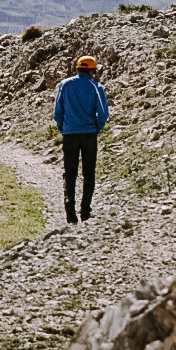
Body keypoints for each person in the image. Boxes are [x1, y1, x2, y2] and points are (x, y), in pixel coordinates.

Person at [54, 55, 109, 224]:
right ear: (92, 70)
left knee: (70, 174)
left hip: (69, 133)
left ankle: (70, 213)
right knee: (89, 173)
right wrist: (96, 128)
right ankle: (85, 211)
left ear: (77, 68)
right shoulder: (96, 87)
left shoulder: (64, 84)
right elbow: (104, 114)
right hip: (89, 134)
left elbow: (57, 111)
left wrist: (63, 128)